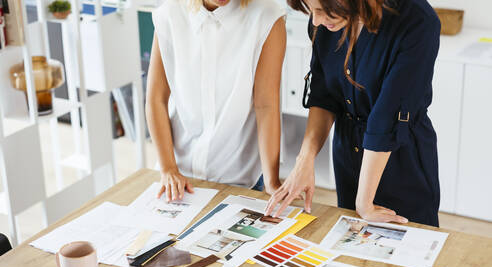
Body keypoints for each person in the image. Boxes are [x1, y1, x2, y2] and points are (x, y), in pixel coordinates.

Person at [265, 0, 441, 227]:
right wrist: (304, 161)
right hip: (348, 156)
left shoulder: (417, 21)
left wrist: (364, 201)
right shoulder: (327, 22)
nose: (315, 20)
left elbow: (387, 115)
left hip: (401, 160)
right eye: (310, 10)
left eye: (320, 10)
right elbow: (324, 94)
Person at [146, 0, 286, 202]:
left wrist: (272, 182)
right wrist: (168, 168)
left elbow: (266, 105)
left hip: (238, 179)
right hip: (178, 173)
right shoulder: (170, 13)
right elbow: (156, 99)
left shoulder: (266, 16)